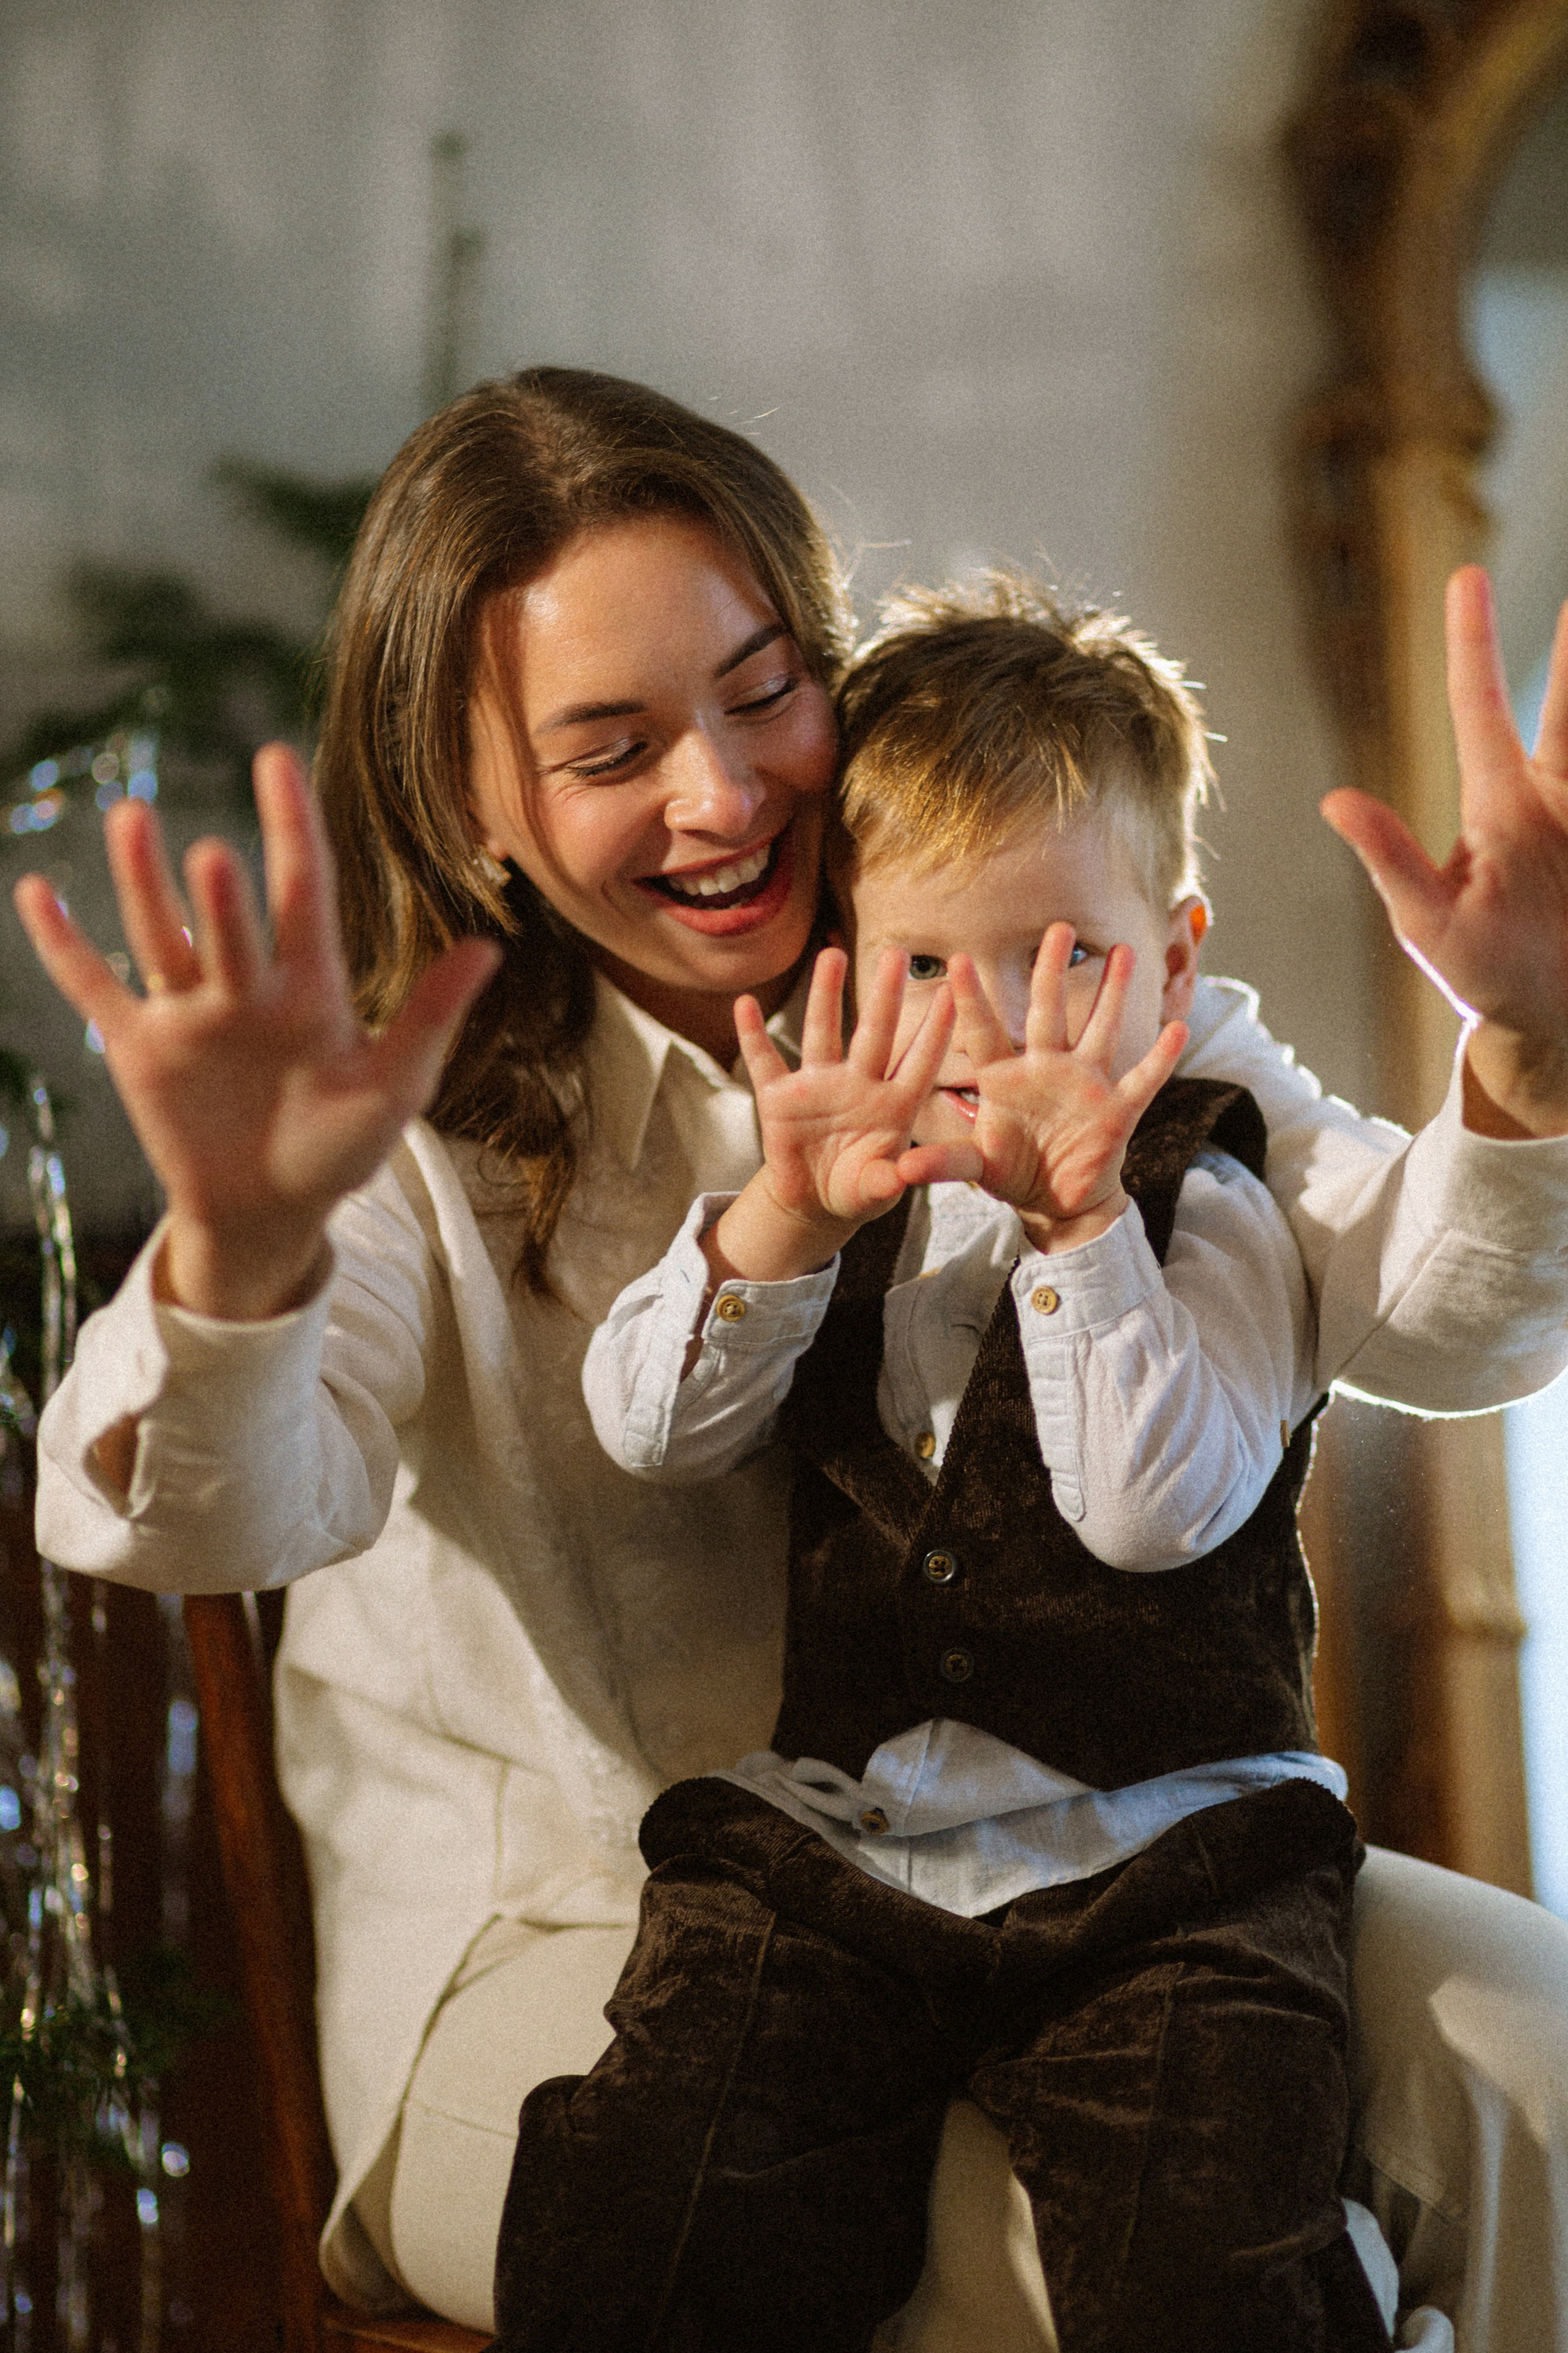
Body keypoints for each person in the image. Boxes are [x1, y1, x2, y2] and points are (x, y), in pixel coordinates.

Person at [14, 368, 1568, 2349]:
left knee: (1542, 2061)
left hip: (1100, 1845)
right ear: (472, 805)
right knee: (1054, 2267)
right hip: (583, 1937)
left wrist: (1524, 1060)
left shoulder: (1054, 975)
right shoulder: (423, 1141)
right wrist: (236, 1248)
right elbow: (195, 1512)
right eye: (610, 746)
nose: (724, 793)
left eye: (763, 691)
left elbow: (1436, 1316)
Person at [543, 576, 1392, 2351]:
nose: (1002, 1026)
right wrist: (774, 1215)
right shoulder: (827, 1177)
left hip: (1177, 1865)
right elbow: (651, 1428)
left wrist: (1088, 1226)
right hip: (853, 1843)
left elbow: (1153, 1512)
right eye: (932, 967)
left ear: (1172, 959)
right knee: (653, 2213)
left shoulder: (1212, 1194)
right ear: (848, 966)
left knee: (1201, 2263)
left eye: (1068, 959)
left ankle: (1339, 2285)